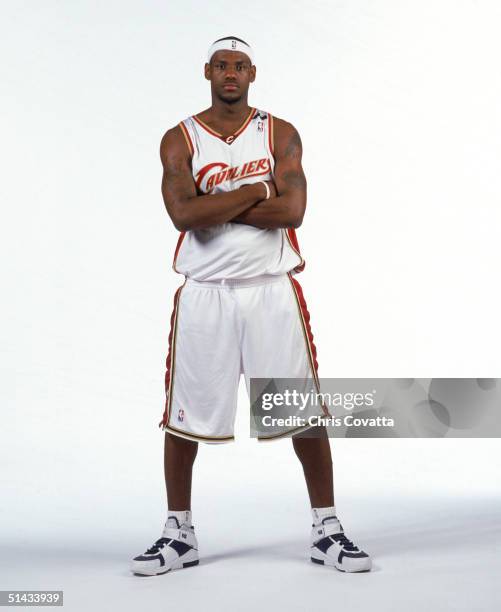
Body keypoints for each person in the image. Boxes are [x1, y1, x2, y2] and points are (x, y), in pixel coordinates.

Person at [131, 36, 372, 576]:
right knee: (182, 417)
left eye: (240, 66)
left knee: (303, 411)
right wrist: (256, 190)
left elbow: (295, 210)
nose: (231, 74)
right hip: (206, 294)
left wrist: (213, 203)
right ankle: (179, 534)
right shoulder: (180, 138)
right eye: (222, 65)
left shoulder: (280, 133)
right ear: (207, 72)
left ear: (253, 73)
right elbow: (182, 216)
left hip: (270, 291)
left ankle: (326, 529)